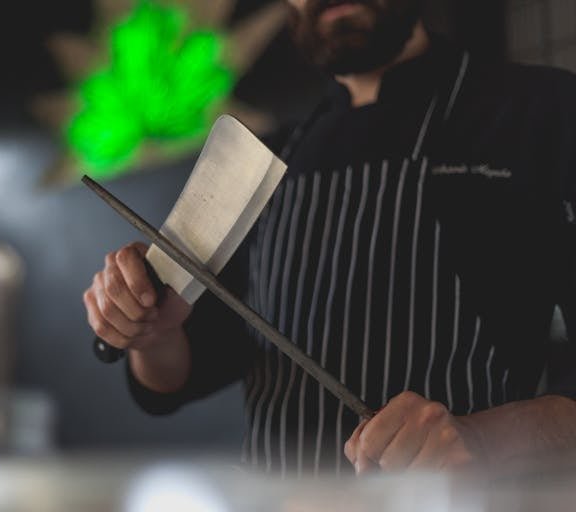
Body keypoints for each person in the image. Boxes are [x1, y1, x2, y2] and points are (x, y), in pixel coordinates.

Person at [83, 0, 576, 476]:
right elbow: (175, 377)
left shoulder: (545, 112)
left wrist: (484, 439)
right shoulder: (263, 160)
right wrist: (150, 332)